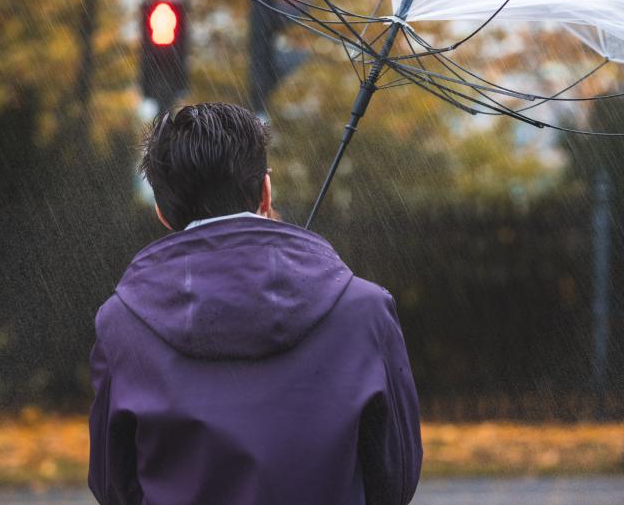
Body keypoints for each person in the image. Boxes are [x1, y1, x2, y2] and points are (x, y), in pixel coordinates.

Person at [88, 102, 422, 505]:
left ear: (162, 211)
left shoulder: (121, 323)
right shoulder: (364, 309)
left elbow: (113, 484)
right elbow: (394, 478)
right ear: (266, 190)